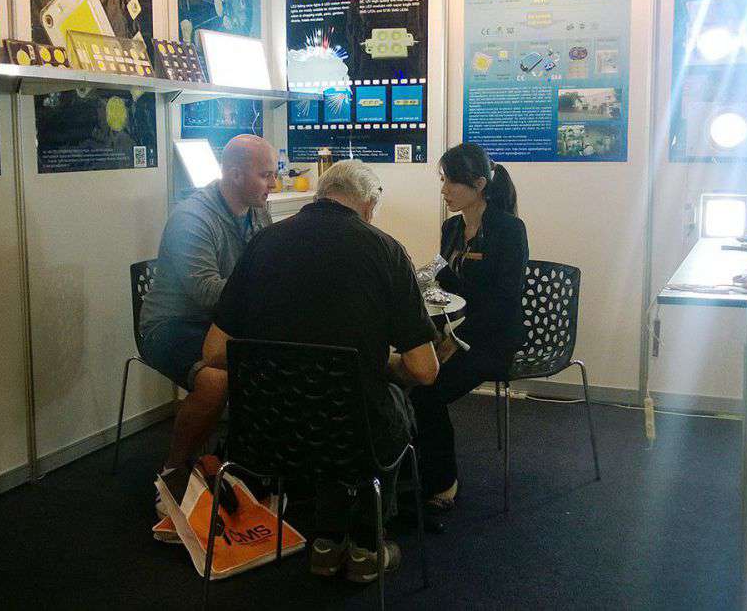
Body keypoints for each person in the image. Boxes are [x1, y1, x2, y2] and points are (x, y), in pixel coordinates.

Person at [201, 159, 440, 583]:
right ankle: (367, 545)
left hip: (267, 432)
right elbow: (424, 370)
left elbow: (214, 353)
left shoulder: (263, 243)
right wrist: (378, 364)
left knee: (329, 411)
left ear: (320, 194)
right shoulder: (385, 250)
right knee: (383, 407)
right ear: (368, 206)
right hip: (352, 431)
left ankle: (326, 542)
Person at [140, 134, 277, 530]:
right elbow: (205, 291)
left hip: (221, 323)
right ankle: (173, 472)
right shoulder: (192, 218)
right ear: (234, 174)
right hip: (171, 326)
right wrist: (267, 292)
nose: (273, 183)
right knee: (216, 381)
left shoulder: (258, 211)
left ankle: (239, 462)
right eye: (265, 175)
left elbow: (264, 269)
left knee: (277, 361)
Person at [409, 142, 529, 511]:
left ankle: (443, 482)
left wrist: (456, 339)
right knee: (408, 377)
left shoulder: (509, 230)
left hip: (494, 339)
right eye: (443, 181)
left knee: (427, 390)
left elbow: (504, 302)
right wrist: (418, 281)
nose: (444, 190)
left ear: (478, 184)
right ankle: (414, 469)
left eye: (451, 182)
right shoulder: (451, 228)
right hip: (459, 331)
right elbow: (446, 282)